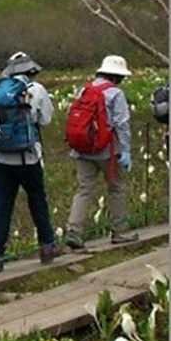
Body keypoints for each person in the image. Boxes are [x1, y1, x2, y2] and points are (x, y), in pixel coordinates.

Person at [0, 53, 60, 273]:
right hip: (29, 157)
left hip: (0, 158)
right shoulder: (36, 90)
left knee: (0, 205)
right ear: (31, 71)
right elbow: (45, 120)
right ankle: (47, 247)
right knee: (37, 201)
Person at [65, 55, 137, 249]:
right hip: (108, 152)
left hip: (81, 150)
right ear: (116, 76)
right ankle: (119, 231)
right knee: (116, 188)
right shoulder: (115, 93)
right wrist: (126, 151)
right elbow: (121, 124)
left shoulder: (84, 89)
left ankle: (74, 231)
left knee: (83, 190)